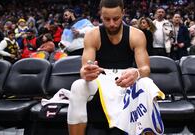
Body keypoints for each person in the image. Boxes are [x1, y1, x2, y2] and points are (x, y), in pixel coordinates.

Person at [67, 0, 164, 135]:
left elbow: (145, 69)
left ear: (123, 13)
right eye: (107, 19)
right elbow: (85, 68)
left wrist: (136, 73)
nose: (112, 23)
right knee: (78, 86)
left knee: (147, 83)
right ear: (100, 15)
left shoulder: (136, 35)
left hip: (126, 78)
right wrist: (86, 72)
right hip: (101, 78)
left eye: (116, 18)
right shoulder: (92, 34)